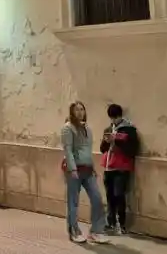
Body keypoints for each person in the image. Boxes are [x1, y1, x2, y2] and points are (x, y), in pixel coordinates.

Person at [61, 101, 108, 244]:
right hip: (74, 170)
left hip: (87, 169)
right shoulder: (67, 128)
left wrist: (92, 167)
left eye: (82, 109)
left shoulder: (87, 128)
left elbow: (87, 150)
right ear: (72, 112)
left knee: (97, 199)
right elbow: (68, 149)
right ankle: (74, 231)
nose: (80, 112)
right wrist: (72, 168)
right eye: (77, 110)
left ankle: (96, 231)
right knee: (73, 202)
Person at [100, 104, 139, 235]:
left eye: (115, 117)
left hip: (122, 167)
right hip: (108, 167)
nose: (113, 120)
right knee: (110, 196)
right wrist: (106, 141)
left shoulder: (129, 129)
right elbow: (102, 149)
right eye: (111, 118)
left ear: (120, 116)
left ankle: (121, 224)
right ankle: (110, 222)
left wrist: (117, 139)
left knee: (119, 195)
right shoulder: (108, 128)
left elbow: (133, 149)